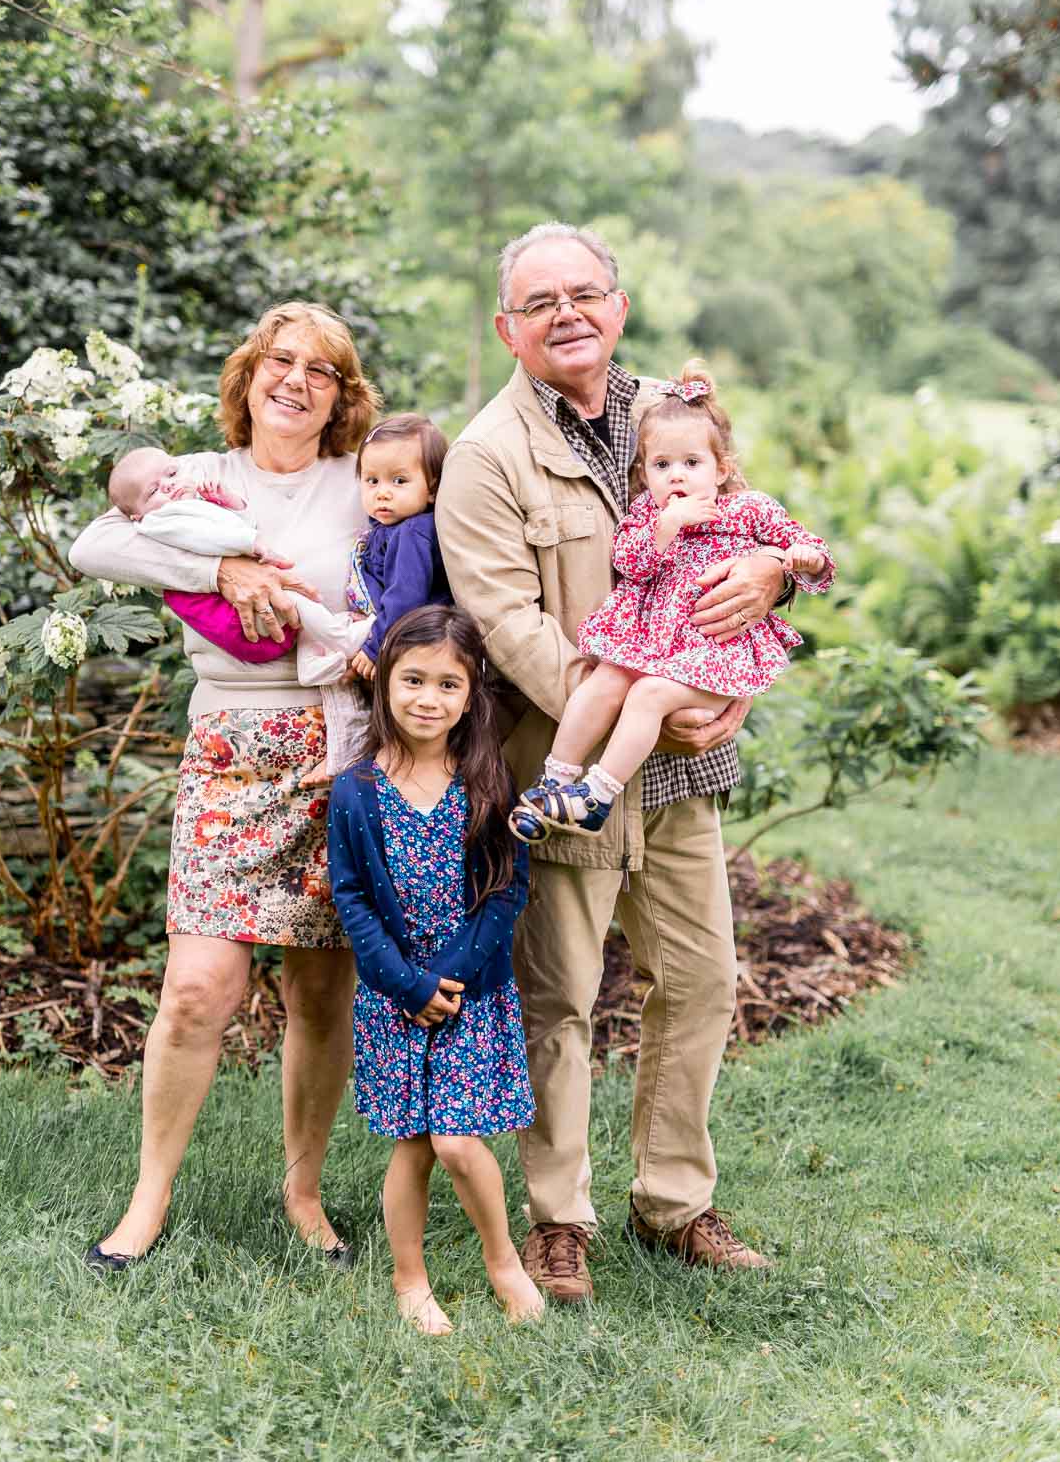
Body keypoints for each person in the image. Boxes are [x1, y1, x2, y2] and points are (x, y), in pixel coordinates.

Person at [435, 222, 791, 1305]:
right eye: (540, 303)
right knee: (561, 1000)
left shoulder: (674, 416)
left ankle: (676, 1202)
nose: (566, 315)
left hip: (682, 773)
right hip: (567, 778)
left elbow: (740, 529)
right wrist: (636, 700)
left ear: (618, 307)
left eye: (583, 294)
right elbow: (508, 624)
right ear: (509, 328)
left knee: (703, 981)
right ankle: (560, 1221)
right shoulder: (489, 456)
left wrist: (773, 577)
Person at [69, 300, 379, 1271]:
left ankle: (304, 1192)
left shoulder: (358, 485)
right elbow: (95, 545)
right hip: (230, 747)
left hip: (337, 748)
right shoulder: (202, 477)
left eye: (319, 370)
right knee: (200, 988)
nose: (295, 380)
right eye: (278, 361)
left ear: (341, 397)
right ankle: (147, 1198)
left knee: (322, 992)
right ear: (248, 377)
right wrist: (225, 557)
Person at [327, 605, 542, 1334]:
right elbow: (352, 896)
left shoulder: (484, 778)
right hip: (396, 996)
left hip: (471, 992)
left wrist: (450, 975)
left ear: (471, 692)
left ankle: (503, 1261)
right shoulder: (357, 790)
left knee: (456, 1138)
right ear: (385, 681)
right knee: (413, 1144)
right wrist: (407, 984)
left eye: (448, 685)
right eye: (413, 679)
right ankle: (409, 1279)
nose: (428, 699)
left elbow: (509, 884)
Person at [510, 362, 834, 841]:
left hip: (714, 652)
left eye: (692, 464)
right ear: (645, 472)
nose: (676, 477)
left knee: (648, 694)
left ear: (721, 468)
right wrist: (667, 526)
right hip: (654, 643)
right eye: (662, 466)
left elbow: (814, 557)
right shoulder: (648, 513)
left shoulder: (747, 509)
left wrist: (797, 558)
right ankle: (553, 781)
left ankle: (597, 796)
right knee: (607, 679)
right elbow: (631, 563)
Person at [108, 445, 375, 778]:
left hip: (325, 715)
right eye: (153, 491)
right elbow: (207, 537)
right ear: (137, 513)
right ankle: (344, 638)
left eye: (172, 475)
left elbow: (227, 521)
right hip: (234, 684)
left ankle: (321, 662)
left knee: (298, 616)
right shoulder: (163, 518)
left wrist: (225, 502)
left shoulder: (363, 470)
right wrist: (244, 554)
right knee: (295, 601)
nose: (168, 485)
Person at [343, 412, 453, 684]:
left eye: (399, 481)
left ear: (432, 489)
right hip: (400, 640)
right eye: (372, 480)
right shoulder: (387, 530)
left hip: (415, 643)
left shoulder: (413, 533)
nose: (382, 492)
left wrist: (376, 645)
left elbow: (405, 596)